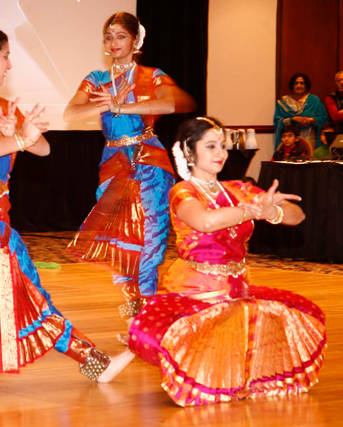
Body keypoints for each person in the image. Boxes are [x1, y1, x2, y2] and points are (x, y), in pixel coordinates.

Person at [0, 27, 133, 399]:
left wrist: (24, 132)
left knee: (29, 294)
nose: (9, 64)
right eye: (4, 57)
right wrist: (17, 139)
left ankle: (94, 361)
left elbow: (43, 149)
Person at [128, 117, 326, 407]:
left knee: (293, 316)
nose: (220, 152)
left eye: (223, 145)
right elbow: (206, 222)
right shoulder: (183, 192)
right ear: (188, 150)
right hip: (197, 291)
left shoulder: (237, 190)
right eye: (210, 146)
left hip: (237, 288)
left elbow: (297, 215)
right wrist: (253, 212)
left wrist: (271, 211)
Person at [64, 12, 196, 337]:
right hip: (113, 164)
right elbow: (71, 112)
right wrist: (105, 103)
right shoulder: (96, 78)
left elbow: (171, 104)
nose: (113, 43)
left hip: (148, 159)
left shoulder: (152, 75)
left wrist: (121, 107)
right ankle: (134, 318)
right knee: (122, 244)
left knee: (151, 239)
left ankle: (147, 318)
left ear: (136, 41)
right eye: (109, 37)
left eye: (121, 36)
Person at [274, 73, 327, 149]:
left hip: (309, 137)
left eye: (302, 83)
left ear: (306, 86)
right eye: (296, 83)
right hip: (289, 139)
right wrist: (292, 119)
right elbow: (277, 120)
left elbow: (323, 118)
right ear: (292, 85)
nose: (299, 86)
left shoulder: (314, 100)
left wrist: (311, 120)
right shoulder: (284, 102)